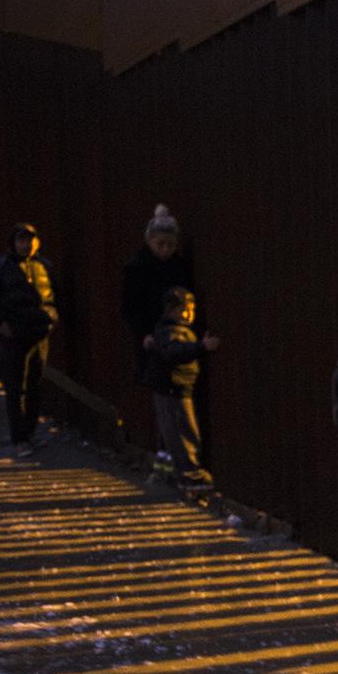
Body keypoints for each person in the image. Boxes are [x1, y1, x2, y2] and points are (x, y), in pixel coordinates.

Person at [0, 223, 59, 457]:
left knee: (34, 385)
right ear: (13, 243)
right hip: (15, 335)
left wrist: (51, 319)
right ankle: (19, 438)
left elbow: (52, 295)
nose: (26, 244)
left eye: (30, 239)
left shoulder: (44, 266)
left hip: (39, 333)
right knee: (15, 387)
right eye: (22, 240)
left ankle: (29, 433)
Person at [144, 287, 221, 494]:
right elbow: (173, 352)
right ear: (171, 310)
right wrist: (201, 347)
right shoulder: (172, 331)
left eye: (191, 309)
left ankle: (169, 472)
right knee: (184, 432)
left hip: (173, 387)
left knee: (171, 432)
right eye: (183, 310)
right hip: (174, 388)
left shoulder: (168, 329)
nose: (188, 314)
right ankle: (190, 475)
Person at [122, 204, 192, 397]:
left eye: (170, 245)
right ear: (150, 241)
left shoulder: (178, 266)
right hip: (151, 333)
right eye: (160, 244)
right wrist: (143, 332)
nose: (165, 249)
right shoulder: (137, 268)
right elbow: (131, 306)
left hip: (172, 332)